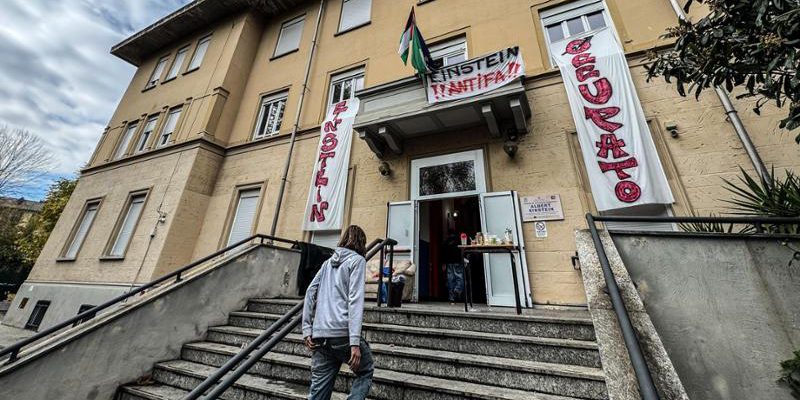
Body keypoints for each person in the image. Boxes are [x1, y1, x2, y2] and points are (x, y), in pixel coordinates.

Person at [302, 225, 374, 400]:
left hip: (320, 335)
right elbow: (355, 300)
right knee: (365, 370)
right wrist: (354, 343)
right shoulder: (357, 261)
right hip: (342, 333)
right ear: (361, 243)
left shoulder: (327, 263)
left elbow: (310, 291)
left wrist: (306, 329)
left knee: (318, 393)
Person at [442, 229, 465, 303]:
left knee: (450, 280)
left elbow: (444, 253)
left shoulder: (446, 242)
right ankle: (457, 290)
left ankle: (451, 297)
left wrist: (444, 263)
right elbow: (462, 250)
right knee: (459, 277)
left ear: (448, 234)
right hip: (457, 261)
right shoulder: (458, 240)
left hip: (449, 263)